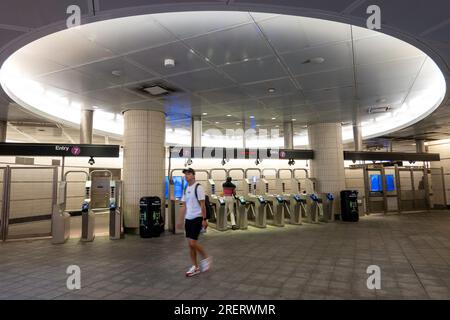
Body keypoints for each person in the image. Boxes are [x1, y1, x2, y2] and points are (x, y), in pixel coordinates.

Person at [177, 168, 212, 277]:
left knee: (193, 243)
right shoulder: (186, 188)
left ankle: (206, 258)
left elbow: (202, 205)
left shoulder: (198, 187)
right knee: (190, 245)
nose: (186, 176)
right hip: (188, 219)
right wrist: (180, 220)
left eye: (188, 174)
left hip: (197, 218)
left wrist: (204, 219)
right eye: (185, 174)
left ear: (193, 175)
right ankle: (195, 267)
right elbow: (184, 205)